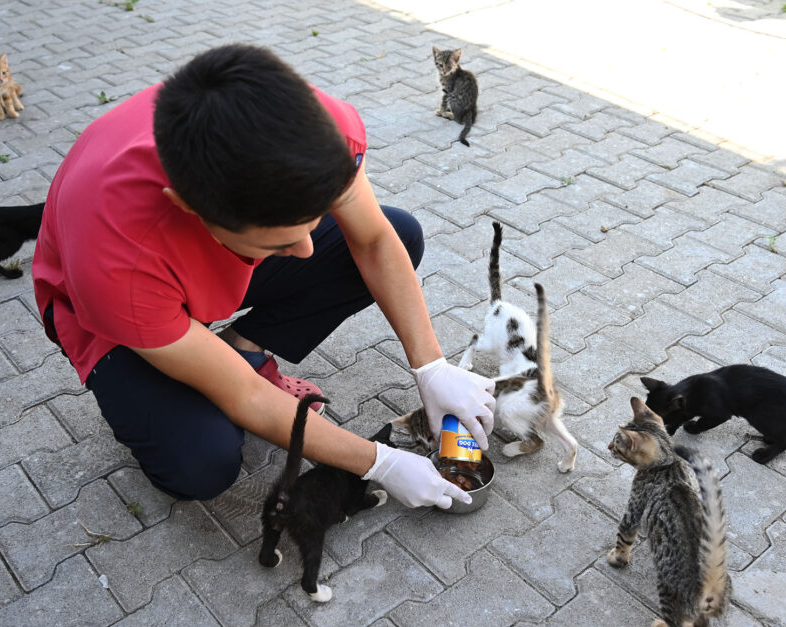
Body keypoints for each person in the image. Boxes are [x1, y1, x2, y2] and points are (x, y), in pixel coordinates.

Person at [33, 44, 495, 510]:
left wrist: (431, 366)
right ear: (190, 207)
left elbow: (373, 241)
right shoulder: (114, 265)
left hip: (189, 262)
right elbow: (247, 397)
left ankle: (241, 348)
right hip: (113, 313)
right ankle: (187, 375)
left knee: (399, 234)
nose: (307, 251)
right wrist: (380, 463)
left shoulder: (313, 126)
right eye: (280, 243)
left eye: (311, 224)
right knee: (200, 461)